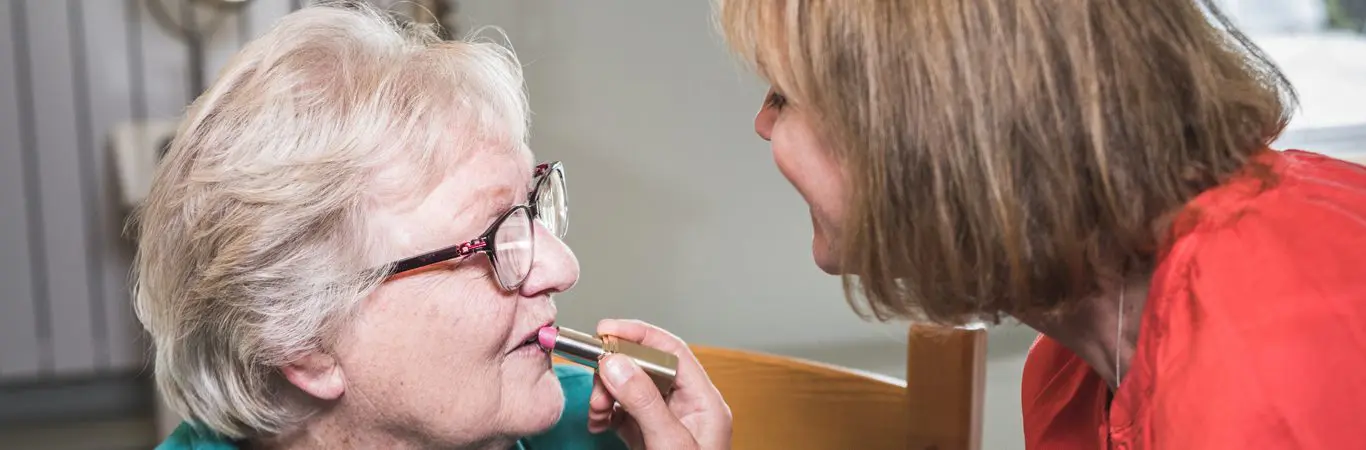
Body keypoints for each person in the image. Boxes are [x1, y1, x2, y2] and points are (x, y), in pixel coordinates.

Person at [592, 0, 1366, 448]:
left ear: (919, 133)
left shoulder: (1270, 351)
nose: (762, 125)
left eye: (783, 95)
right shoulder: (1066, 375)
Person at [131, 3, 659, 449]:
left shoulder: (616, 432)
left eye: (531, 206)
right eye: (496, 237)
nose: (563, 267)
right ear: (307, 349)